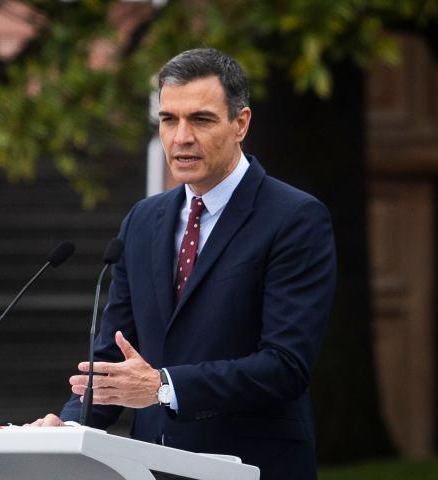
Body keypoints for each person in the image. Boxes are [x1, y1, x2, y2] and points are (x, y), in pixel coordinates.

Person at [27, 47, 336, 480]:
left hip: (253, 467)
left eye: (201, 120)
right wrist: (69, 427)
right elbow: (115, 357)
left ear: (240, 123)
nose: (181, 137)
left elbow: (285, 365)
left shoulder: (294, 218)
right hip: (150, 468)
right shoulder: (142, 220)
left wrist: (164, 387)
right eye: (169, 119)